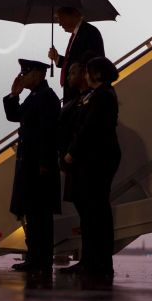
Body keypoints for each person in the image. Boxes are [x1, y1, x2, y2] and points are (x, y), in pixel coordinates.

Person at [62, 57, 121, 276]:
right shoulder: (96, 95)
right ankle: (90, 260)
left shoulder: (103, 95)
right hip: (92, 158)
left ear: (96, 73)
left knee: (96, 211)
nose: (85, 75)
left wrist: (71, 153)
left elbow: (89, 128)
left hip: (98, 158)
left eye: (88, 71)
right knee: (89, 212)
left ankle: (100, 263)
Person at [4, 59, 61, 272]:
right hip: (29, 163)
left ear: (38, 74)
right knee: (31, 212)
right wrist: (14, 95)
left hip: (39, 165)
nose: (22, 77)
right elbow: (14, 116)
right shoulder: (35, 96)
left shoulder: (47, 97)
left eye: (25, 74)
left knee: (40, 215)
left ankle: (41, 259)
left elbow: (49, 133)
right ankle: (34, 257)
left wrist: (45, 163)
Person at [47, 7, 105, 103]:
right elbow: (73, 61)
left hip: (83, 93)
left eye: (60, 18)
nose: (59, 23)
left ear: (72, 15)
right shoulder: (78, 34)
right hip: (75, 92)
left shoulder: (90, 32)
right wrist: (57, 58)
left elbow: (92, 62)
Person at [57, 62, 91, 203]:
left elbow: (86, 129)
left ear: (84, 74)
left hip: (83, 161)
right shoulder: (77, 100)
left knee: (90, 206)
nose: (68, 77)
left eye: (72, 73)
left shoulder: (92, 98)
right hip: (73, 162)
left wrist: (71, 153)